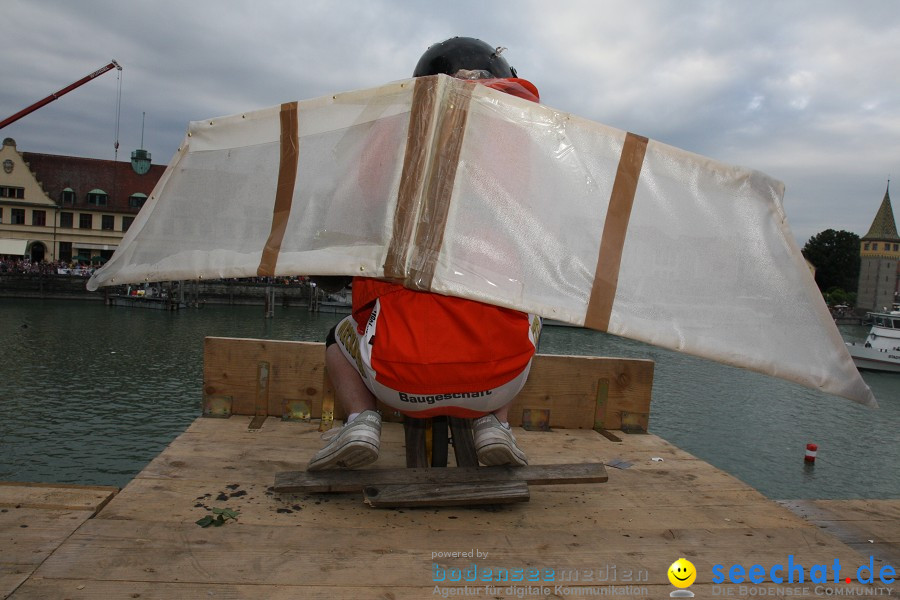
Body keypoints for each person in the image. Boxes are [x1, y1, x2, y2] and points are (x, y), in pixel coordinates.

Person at [307, 37, 542, 472]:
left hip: (399, 381)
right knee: (531, 312)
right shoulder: (523, 149)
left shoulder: (388, 145)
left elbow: (341, 237)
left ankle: (360, 421)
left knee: (336, 337)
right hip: (499, 380)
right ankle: (495, 424)